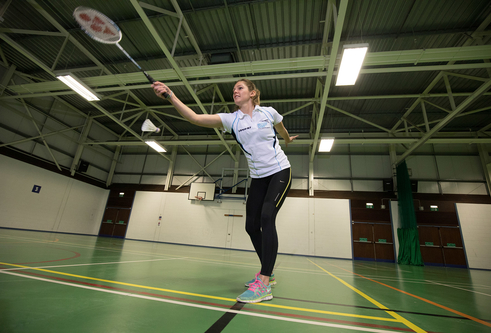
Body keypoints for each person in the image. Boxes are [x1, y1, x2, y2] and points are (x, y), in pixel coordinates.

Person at [152, 79, 297, 303]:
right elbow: (195, 118)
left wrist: (287, 139)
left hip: (279, 171)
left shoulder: (268, 113)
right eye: (233, 90)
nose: (235, 92)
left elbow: (281, 128)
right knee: (251, 226)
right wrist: (170, 95)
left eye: (240, 88)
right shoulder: (232, 120)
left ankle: (265, 282)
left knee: (267, 216)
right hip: (258, 178)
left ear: (252, 93)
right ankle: (268, 269)